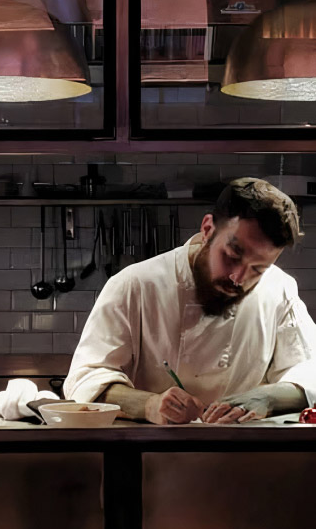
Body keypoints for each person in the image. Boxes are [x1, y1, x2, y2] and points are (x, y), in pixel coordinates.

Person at [63, 178, 316, 424]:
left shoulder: (279, 289)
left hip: (241, 454)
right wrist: (149, 405)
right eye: (231, 256)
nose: (239, 278)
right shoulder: (135, 285)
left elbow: (310, 373)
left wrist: (268, 398)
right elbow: (86, 381)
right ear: (207, 229)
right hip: (149, 453)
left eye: (258, 269)